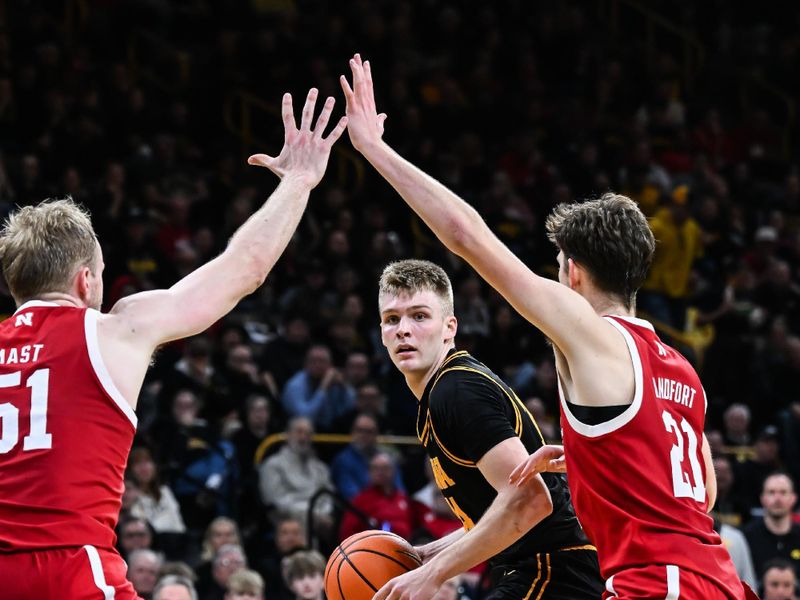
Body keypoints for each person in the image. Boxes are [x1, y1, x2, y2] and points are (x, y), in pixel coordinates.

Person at [341, 54, 746, 598]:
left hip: (658, 583)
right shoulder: (682, 371)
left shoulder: (591, 335)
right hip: (717, 579)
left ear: (571, 272)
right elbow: (701, 492)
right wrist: (586, 458)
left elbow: (467, 236)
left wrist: (374, 149)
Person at [0, 87, 346, 599]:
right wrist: (298, 181)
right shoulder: (114, 329)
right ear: (84, 282)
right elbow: (242, 270)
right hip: (73, 569)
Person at [372, 259, 602, 599]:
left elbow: (531, 500)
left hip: (554, 570)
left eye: (419, 316)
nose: (403, 329)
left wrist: (435, 575)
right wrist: (430, 554)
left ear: (450, 327)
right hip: (548, 568)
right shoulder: (444, 389)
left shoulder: (456, 391)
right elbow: (500, 506)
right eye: (392, 319)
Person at [743, 472, 800, 580]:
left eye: (783, 492)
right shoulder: (746, 537)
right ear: (762, 498)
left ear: (793, 498)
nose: (777, 498)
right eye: (771, 492)